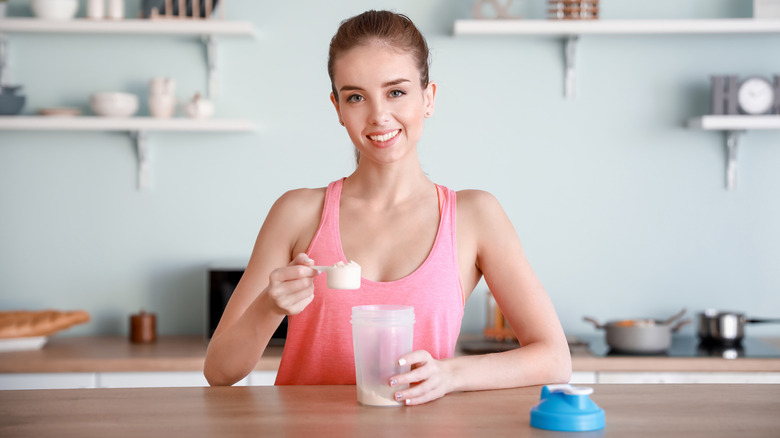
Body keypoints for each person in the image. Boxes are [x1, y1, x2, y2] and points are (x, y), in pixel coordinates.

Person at [204, 10, 571, 405]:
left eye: (396, 92)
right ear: (338, 109)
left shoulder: (475, 216)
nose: (379, 115)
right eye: (356, 97)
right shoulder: (296, 213)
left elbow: (554, 358)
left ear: (428, 99)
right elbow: (219, 372)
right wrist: (268, 307)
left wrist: (450, 374)